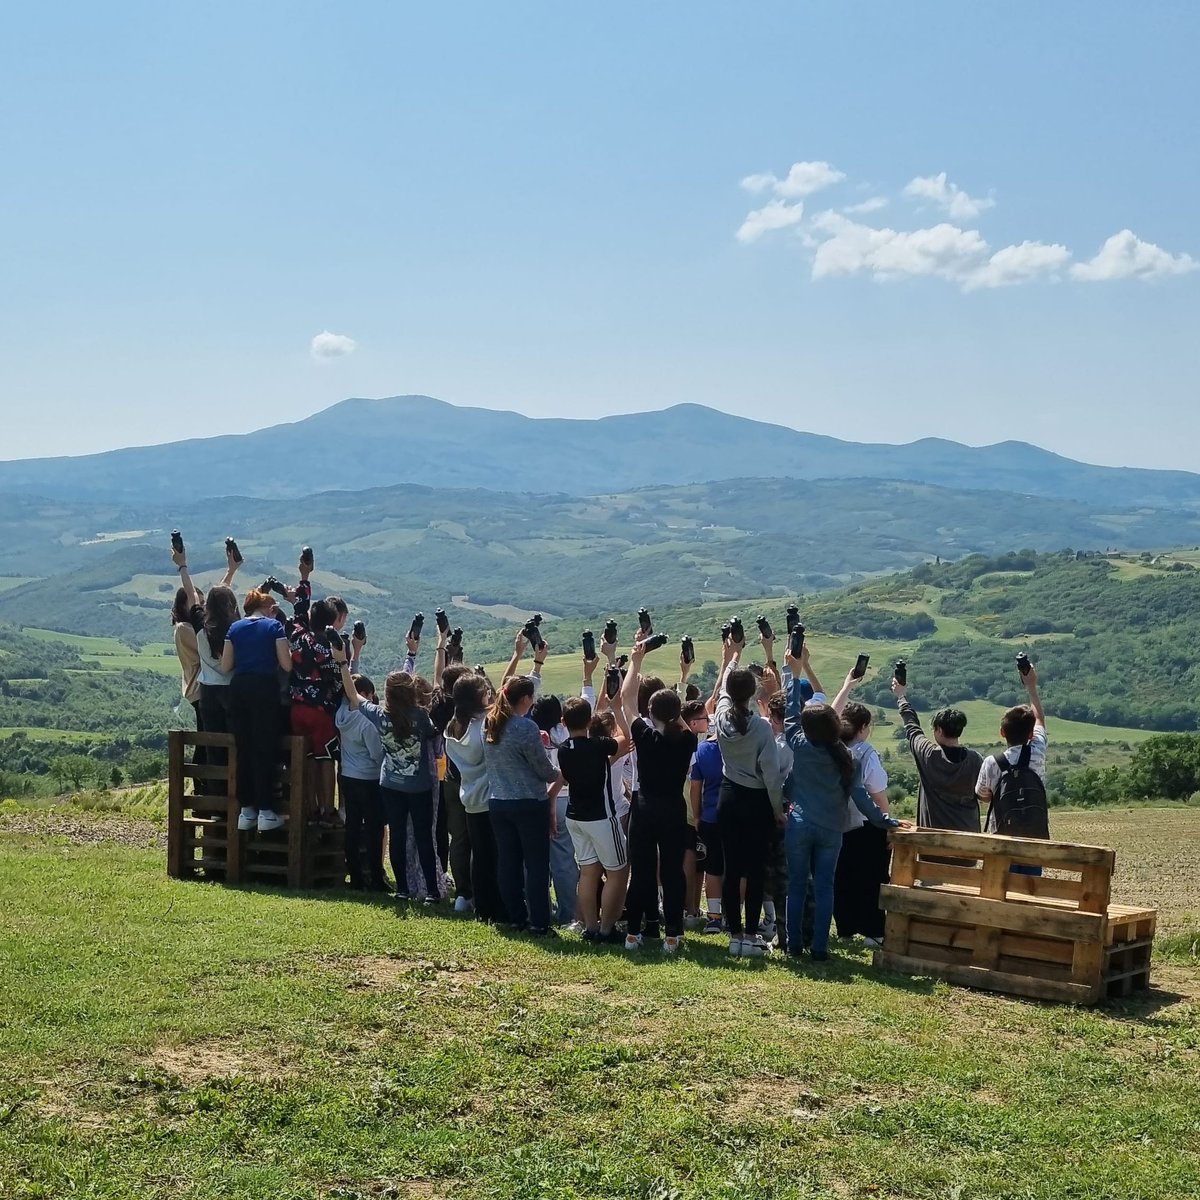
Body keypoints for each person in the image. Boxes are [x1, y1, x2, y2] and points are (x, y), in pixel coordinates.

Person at [782, 652, 907, 961]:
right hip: (831, 828)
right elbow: (862, 798)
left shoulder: (799, 744)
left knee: (796, 886)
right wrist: (884, 820)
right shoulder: (846, 757)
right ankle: (821, 948)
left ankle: (794, 943)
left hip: (798, 823)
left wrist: (791, 671)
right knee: (826, 887)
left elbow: (789, 712)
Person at [620, 638, 697, 954]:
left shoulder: (644, 735)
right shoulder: (688, 740)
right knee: (672, 871)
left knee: (641, 870)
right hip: (673, 809)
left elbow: (626, 699)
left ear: (649, 712)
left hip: (644, 805)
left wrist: (635, 662)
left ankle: (634, 934)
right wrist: (680, 685)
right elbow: (675, 717)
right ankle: (673, 935)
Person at [714, 633, 788, 958]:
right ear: (753, 694)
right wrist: (777, 809)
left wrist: (732, 655)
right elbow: (771, 774)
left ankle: (733, 935)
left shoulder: (719, 717)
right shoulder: (760, 728)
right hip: (757, 801)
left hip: (728, 796)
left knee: (731, 869)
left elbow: (722, 692)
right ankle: (750, 934)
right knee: (755, 869)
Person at [482, 675, 561, 934]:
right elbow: (544, 770)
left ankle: (515, 917)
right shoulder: (525, 728)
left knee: (508, 862)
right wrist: (559, 771)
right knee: (536, 865)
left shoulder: (490, 723)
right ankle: (539, 922)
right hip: (529, 802)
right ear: (526, 699)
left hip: (499, 801)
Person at [551, 696, 631, 942]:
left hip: (576, 817)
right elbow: (625, 740)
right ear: (589, 721)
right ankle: (607, 929)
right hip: (601, 817)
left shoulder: (563, 750)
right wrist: (617, 709)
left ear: (563, 722)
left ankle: (591, 927)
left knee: (587, 873)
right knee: (618, 871)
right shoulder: (597, 746)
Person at [219, 588, 294, 832]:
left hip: (238, 689)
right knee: (264, 748)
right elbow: (286, 663)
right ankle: (266, 810)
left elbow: (226, 665)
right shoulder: (274, 628)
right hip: (264, 689)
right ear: (269, 608)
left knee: (243, 747)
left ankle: (246, 809)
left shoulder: (235, 628)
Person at [175, 547, 241, 796]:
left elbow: (192, 598)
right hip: (232, 690)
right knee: (234, 744)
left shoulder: (201, 628)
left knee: (213, 747)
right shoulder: (236, 630)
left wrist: (183, 566)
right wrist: (231, 572)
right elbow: (218, 600)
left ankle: (214, 798)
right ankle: (237, 798)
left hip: (209, 693)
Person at [369, 671, 441, 900]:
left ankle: (402, 888)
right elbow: (432, 733)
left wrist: (343, 663)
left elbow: (355, 698)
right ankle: (431, 890)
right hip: (418, 785)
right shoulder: (419, 716)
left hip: (389, 783)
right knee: (423, 837)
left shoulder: (379, 715)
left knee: (397, 835)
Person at [976, 660, 1049, 873]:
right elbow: (1040, 721)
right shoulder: (1037, 751)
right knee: (1029, 893)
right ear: (1030, 735)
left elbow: (983, 796)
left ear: (1002, 733)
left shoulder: (992, 762)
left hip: (1001, 840)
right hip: (1034, 841)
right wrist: (1031, 686)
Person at [444, 672, 505, 923]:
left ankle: (482, 907)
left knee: (479, 857)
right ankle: (498, 906)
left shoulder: (453, 727)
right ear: (481, 696)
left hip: (469, 797)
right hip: (490, 796)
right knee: (496, 857)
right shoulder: (485, 724)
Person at [890, 679, 983, 833]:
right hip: (967, 843)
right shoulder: (975, 760)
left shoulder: (928, 754)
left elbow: (912, 727)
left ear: (939, 730)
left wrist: (901, 697)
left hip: (931, 842)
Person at [832, 702, 891, 946]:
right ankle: (873, 931)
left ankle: (845, 927)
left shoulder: (833, 749)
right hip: (867, 823)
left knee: (842, 877)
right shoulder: (866, 753)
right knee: (872, 878)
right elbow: (877, 793)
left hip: (837, 822)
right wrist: (887, 821)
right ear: (864, 727)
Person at [333, 653, 389, 892]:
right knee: (375, 829)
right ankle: (375, 876)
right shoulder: (366, 721)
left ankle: (355, 875)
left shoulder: (342, 713)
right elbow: (377, 753)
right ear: (365, 694)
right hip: (369, 777)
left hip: (348, 776)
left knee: (353, 827)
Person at [288, 597, 343, 823]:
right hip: (321, 710)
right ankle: (327, 810)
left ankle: (309, 809)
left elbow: (296, 615)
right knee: (326, 758)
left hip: (297, 707)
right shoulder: (328, 646)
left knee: (307, 758)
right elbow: (337, 679)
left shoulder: (297, 637)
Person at [532, 693, 580, 928]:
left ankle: (537, 909)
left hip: (538, 800)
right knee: (564, 863)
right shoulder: (566, 733)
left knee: (534, 861)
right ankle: (568, 914)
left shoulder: (531, 735)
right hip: (565, 800)